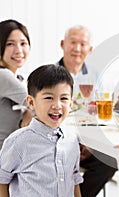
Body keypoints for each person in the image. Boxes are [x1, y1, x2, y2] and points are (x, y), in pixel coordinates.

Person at [0, 64, 83, 196]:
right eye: (49, 98)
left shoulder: (72, 140)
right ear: (31, 102)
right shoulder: (17, 142)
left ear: (71, 104)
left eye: (64, 98)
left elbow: (74, 179)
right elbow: (2, 180)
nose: (57, 105)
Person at [57, 25, 117, 197]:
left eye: (82, 44)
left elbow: (100, 114)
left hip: (88, 142)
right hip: (59, 141)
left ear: (89, 50)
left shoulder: (94, 75)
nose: (77, 48)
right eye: (72, 42)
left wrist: (91, 143)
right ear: (63, 44)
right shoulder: (50, 74)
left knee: (110, 161)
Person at [0, 19, 33, 149]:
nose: (19, 50)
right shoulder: (3, 75)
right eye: (10, 44)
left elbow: (35, 104)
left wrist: (30, 111)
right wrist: (31, 110)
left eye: (23, 43)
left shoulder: (18, 78)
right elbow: (41, 104)